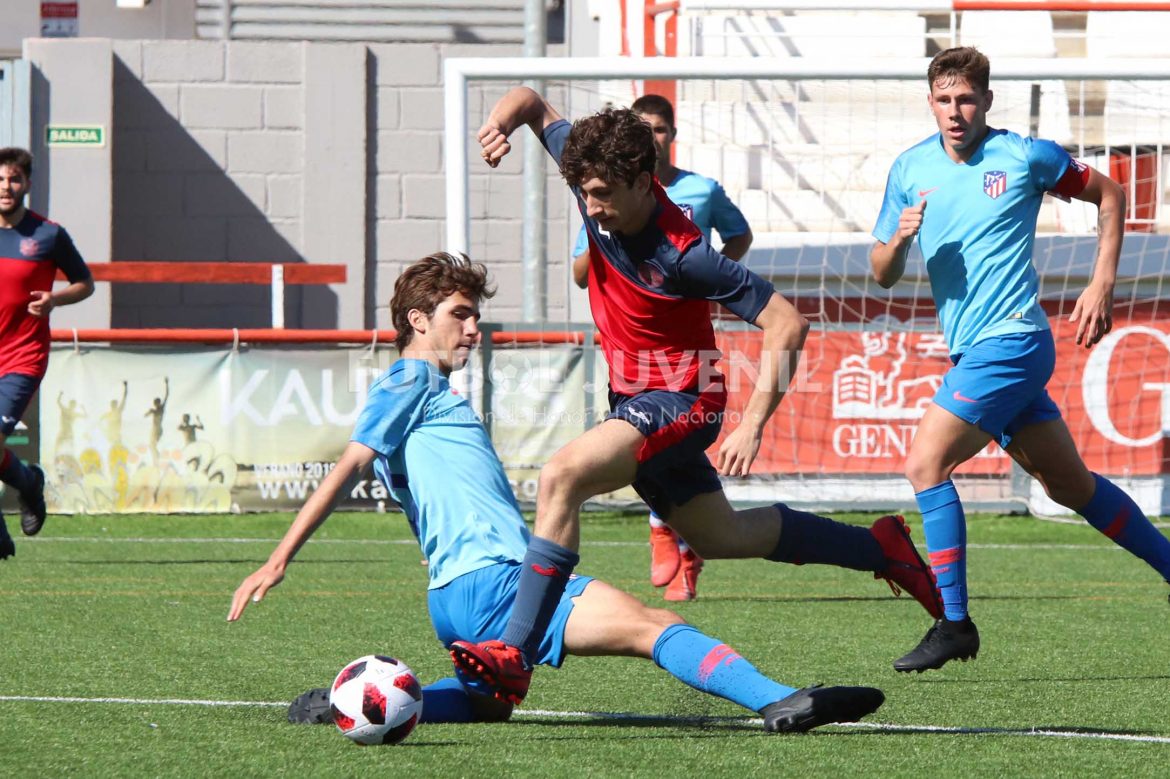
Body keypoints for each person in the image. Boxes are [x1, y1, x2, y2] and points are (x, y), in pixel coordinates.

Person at [226, 252, 886, 733]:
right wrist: (278, 558)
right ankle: (778, 700)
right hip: (497, 580)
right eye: (459, 315)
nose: (473, 329)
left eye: (476, 316)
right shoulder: (409, 381)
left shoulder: (425, 398)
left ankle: (355, 704)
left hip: (451, 599)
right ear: (417, 320)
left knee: (489, 705)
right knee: (656, 625)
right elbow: (350, 463)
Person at [450, 87, 944, 705]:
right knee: (720, 537)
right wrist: (500, 123)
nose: (590, 207)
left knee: (561, 476)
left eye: (601, 194)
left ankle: (514, 653)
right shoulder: (595, 177)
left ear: (642, 180)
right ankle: (880, 548)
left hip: (684, 400)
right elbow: (530, 101)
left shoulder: (686, 256)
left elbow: (788, 323)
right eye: (584, 192)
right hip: (635, 401)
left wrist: (752, 424)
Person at [870, 47, 1170, 673]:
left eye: (966, 99)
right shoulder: (910, 168)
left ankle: (954, 623)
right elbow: (882, 273)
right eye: (944, 100)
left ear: (987, 100)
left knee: (925, 463)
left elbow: (1110, 194)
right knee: (1070, 486)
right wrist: (898, 239)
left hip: (1012, 341)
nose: (956, 111)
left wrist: (1101, 284)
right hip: (975, 346)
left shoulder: (1024, 156)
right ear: (930, 102)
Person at [571, 93, 755, 603]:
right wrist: (601, 239)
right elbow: (580, 273)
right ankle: (670, 533)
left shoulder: (700, 191)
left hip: (682, 344)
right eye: (642, 128)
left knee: (664, 433)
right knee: (649, 439)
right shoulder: (603, 192)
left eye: (658, 129)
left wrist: (706, 277)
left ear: (671, 136)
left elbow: (739, 237)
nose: (651, 138)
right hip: (632, 342)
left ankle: (674, 542)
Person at [0, 146, 94, 558]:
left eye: (14, 179)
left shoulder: (47, 234)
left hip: (23, 356)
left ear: (27, 184)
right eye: (0, 179)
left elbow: (85, 283)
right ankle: (29, 483)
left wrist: (55, 300)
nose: (6, 187)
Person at [144, 377, 169, 465]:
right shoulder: (154, 410)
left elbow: (166, 395)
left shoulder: (160, 408)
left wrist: (166, 384)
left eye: (157, 403)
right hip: (156, 429)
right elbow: (145, 415)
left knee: (152, 445)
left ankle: (157, 459)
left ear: (158, 403)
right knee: (152, 446)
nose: (156, 405)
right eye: (155, 404)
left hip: (157, 429)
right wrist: (149, 412)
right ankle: (156, 458)